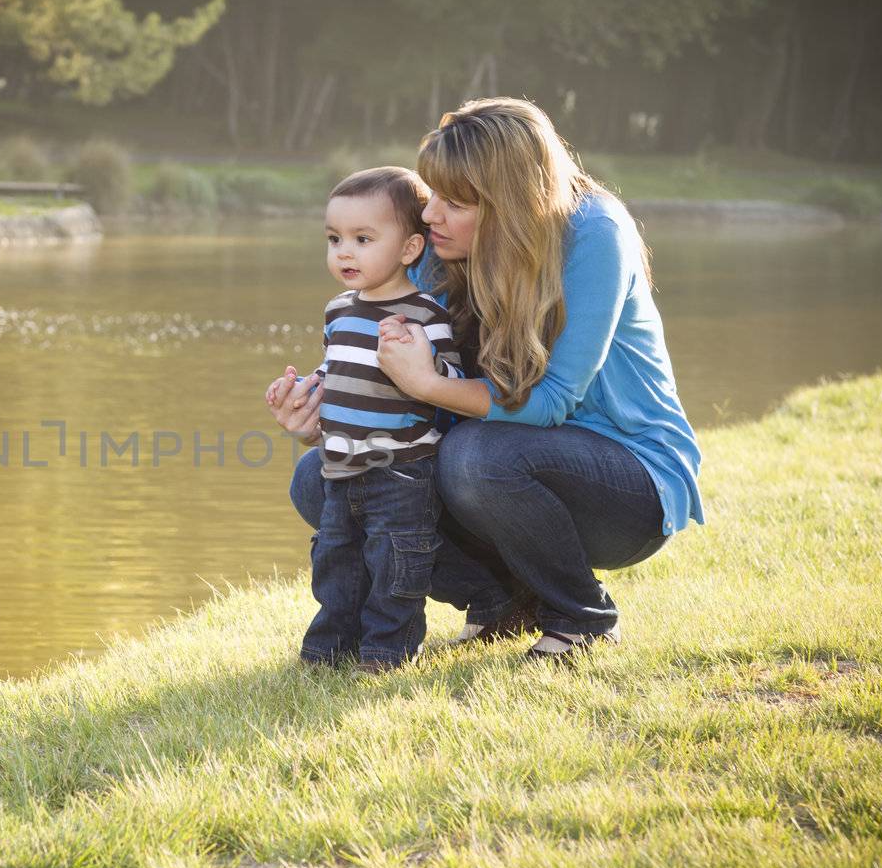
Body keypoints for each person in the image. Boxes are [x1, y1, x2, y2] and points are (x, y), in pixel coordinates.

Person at [268, 98, 702, 661]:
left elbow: (548, 403)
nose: (429, 216)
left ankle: (582, 616)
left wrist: (428, 386)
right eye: (431, 197)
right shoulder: (438, 249)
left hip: (627, 481)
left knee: (476, 457)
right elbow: (405, 388)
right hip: (501, 458)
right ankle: (499, 600)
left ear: (510, 204)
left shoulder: (594, 234)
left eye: (454, 202)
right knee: (319, 478)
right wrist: (321, 417)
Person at [291, 167, 465, 671]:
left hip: (402, 468)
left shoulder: (425, 315)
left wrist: (423, 359)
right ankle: (328, 647)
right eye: (334, 239)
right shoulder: (338, 311)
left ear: (410, 249)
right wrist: (305, 389)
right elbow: (335, 368)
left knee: (395, 561)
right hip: (340, 463)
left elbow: (450, 378)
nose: (344, 252)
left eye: (363, 239)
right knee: (335, 559)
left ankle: (388, 651)